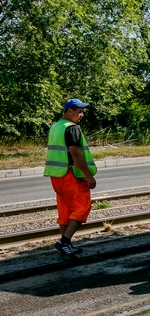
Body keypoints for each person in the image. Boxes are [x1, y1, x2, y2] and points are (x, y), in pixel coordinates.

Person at [44, 98, 98, 258]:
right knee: (82, 208)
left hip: (56, 175)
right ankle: (64, 241)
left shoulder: (55, 127)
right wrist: (89, 176)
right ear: (69, 111)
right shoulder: (71, 128)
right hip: (70, 175)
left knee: (65, 211)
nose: (82, 115)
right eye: (79, 112)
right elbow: (76, 155)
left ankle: (66, 246)